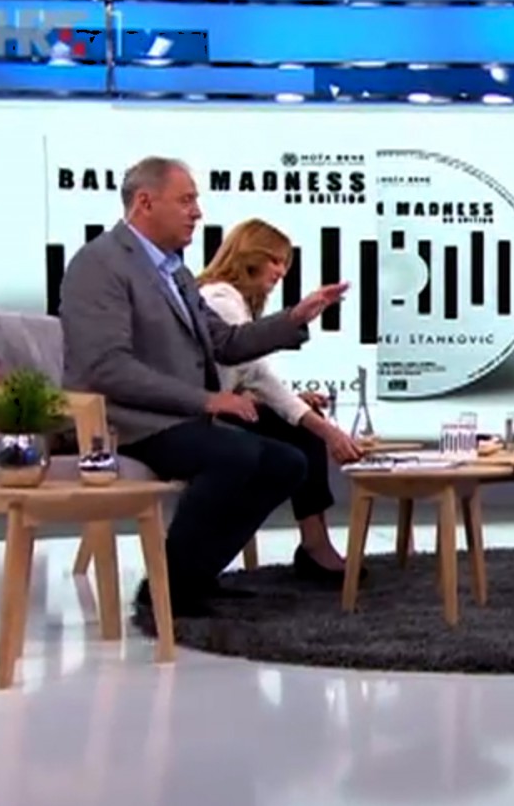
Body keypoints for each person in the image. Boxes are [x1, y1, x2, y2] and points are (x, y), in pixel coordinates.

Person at [59, 156, 349, 621]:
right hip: (126, 421)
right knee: (236, 454)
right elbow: (106, 368)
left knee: (287, 463)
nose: (197, 212)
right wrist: (207, 399)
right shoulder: (100, 264)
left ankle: (193, 574)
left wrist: (294, 317)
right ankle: (168, 589)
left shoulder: (173, 271)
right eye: (186, 200)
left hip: (175, 419)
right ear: (145, 202)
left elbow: (225, 342)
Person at [196, 218, 365, 586]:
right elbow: (254, 373)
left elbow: (240, 377)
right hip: (199, 415)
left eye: (284, 263)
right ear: (248, 256)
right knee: (305, 433)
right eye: (273, 260)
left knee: (299, 424)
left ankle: (314, 544)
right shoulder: (220, 299)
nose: (281, 271)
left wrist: (292, 404)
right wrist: (327, 430)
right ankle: (315, 546)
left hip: (223, 408)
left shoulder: (233, 300)